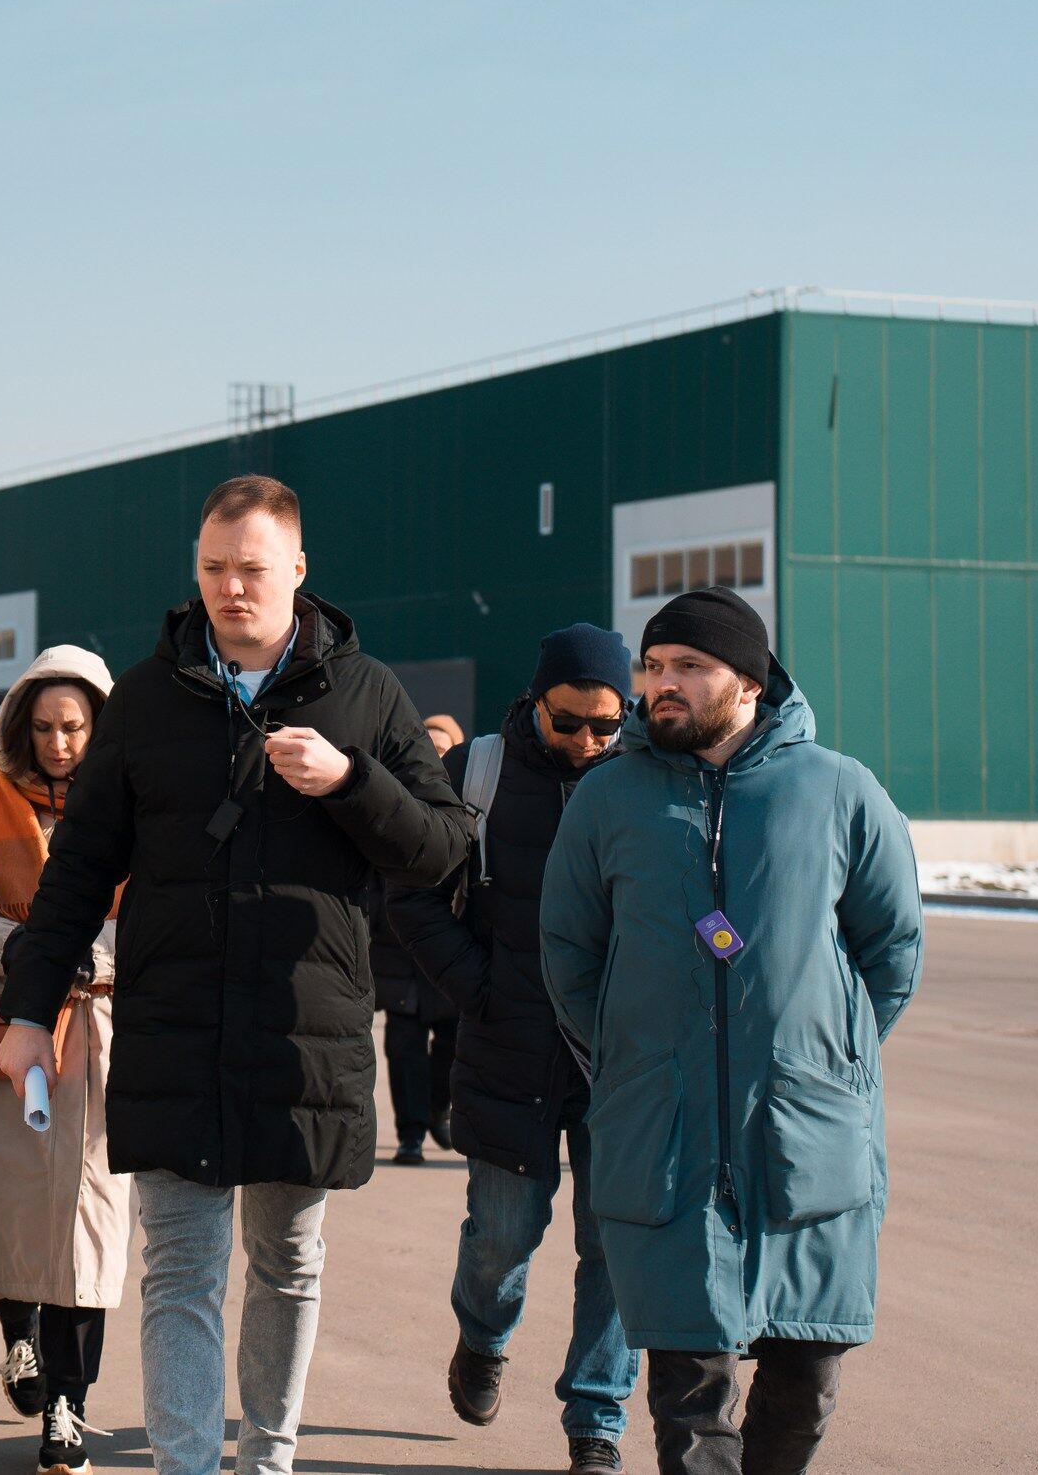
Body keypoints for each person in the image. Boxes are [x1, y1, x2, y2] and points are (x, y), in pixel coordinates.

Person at [0, 477, 474, 1475]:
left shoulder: (367, 693)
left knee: (287, 1263)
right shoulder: (145, 700)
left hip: (307, 1035)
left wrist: (351, 781)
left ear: (297, 570)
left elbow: (440, 850)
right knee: (178, 1269)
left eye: (251, 567)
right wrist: (28, 1010)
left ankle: (266, 1458)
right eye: (212, 568)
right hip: (174, 1028)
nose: (230, 587)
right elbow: (77, 871)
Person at [541, 589, 923, 1475]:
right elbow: (569, 950)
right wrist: (629, 1058)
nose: (662, 684)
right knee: (690, 1392)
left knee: (806, 1379)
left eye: (689, 666)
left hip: (805, 1131)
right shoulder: (607, 797)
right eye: (653, 666)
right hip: (664, 1129)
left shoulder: (839, 789)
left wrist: (828, 1056)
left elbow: (893, 945)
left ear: (749, 682)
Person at [379, 623, 640, 1475]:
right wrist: (478, 988)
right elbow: (412, 893)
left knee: (617, 1246)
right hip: (508, 1050)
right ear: (535, 702)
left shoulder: (647, 776)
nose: (589, 741)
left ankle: (597, 1418)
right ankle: (483, 1335)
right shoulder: (476, 773)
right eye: (570, 722)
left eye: (607, 724)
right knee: (503, 1235)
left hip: (621, 1063)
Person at [0, 647, 125, 1475]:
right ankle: (18, 1334)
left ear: (102, 725)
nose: (59, 743)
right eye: (42, 727)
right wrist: (20, 947)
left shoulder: (138, 804)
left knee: (88, 1226)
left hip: (100, 1040)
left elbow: (171, 918)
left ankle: (68, 1407)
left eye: (74, 726)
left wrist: (93, 955)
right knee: (6, 1209)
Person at [371, 909, 457, 1167]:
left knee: (456, 1046)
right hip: (398, 953)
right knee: (404, 1053)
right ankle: (411, 1135)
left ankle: (437, 1107)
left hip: (451, 954)